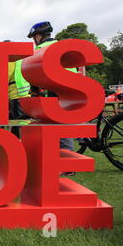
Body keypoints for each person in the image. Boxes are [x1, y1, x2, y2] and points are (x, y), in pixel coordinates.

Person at [27, 21, 77, 176]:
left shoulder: (41, 49)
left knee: (58, 128)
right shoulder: (61, 46)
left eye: (34, 37)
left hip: (57, 92)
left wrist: (34, 89)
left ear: (39, 36)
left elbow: (35, 72)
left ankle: (67, 166)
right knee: (61, 128)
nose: (34, 40)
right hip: (72, 89)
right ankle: (60, 162)